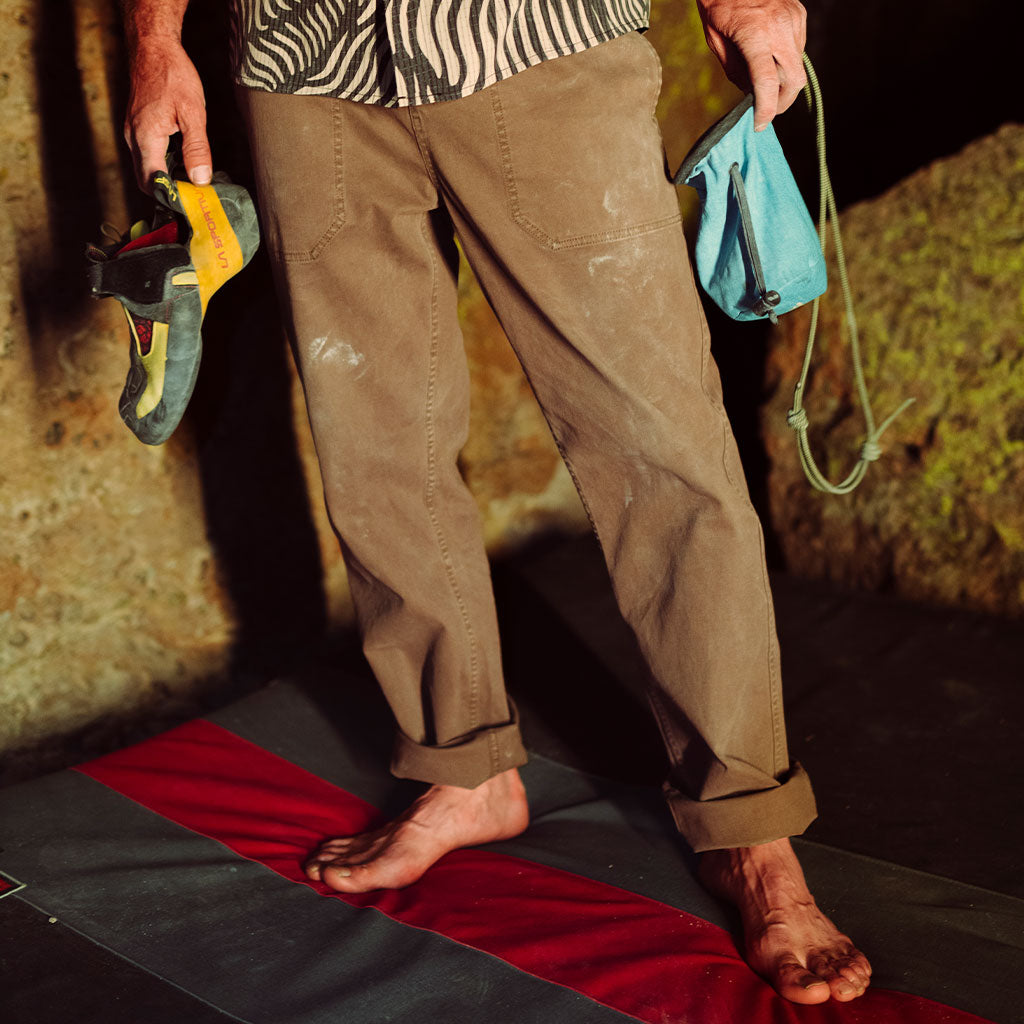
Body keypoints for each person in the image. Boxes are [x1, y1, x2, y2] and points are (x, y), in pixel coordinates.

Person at [121, 0, 871, 1004]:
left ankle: (749, 828)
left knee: (659, 446)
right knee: (372, 434)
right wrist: (154, 42)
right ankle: (462, 764)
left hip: (533, 37)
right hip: (301, 59)